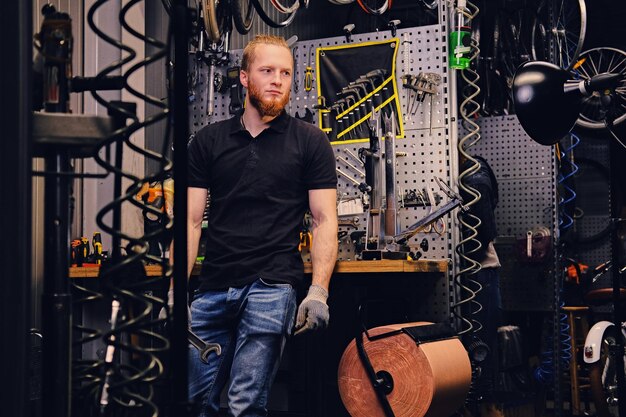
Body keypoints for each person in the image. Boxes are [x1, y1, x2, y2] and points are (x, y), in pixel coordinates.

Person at [181, 35, 338, 417]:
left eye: (285, 73)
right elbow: (188, 222)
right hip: (213, 286)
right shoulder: (208, 141)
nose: (277, 80)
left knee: (244, 404)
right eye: (267, 71)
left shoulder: (310, 142)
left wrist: (318, 291)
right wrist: (175, 289)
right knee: (193, 401)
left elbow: (324, 220)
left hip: (271, 286)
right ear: (244, 78)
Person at [459, 154, 503, 417]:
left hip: (480, 272)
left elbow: (486, 232)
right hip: (477, 272)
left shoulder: (474, 176)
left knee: (481, 348)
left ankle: (488, 408)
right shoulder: (473, 172)